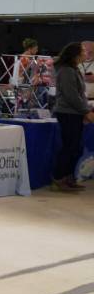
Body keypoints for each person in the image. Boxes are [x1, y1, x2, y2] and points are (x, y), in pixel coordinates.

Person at [52, 42, 94, 191]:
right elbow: (71, 96)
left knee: (76, 148)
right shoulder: (66, 71)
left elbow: (79, 95)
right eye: (83, 51)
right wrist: (86, 111)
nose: (85, 53)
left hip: (75, 113)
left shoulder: (74, 69)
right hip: (67, 113)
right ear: (75, 54)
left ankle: (69, 176)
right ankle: (59, 178)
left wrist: (85, 109)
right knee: (69, 147)